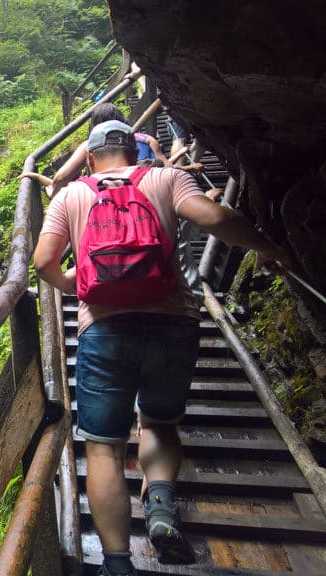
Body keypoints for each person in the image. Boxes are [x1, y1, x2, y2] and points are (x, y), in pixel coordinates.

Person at [33, 121, 292, 576]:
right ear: (134, 152)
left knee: (104, 448)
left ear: (90, 158)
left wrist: (75, 284)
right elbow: (214, 217)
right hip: (174, 323)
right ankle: (159, 507)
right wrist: (270, 249)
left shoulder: (71, 194)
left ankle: (117, 564)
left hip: (105, 330)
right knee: (158, 422)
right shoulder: (166, 177)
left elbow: (41, 262)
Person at [27, 103, 129, 198]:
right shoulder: (137, 139)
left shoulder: (92, 145)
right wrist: (39, 177)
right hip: (134, 198)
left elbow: (61, 178)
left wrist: (54, 195)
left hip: (103, 201)